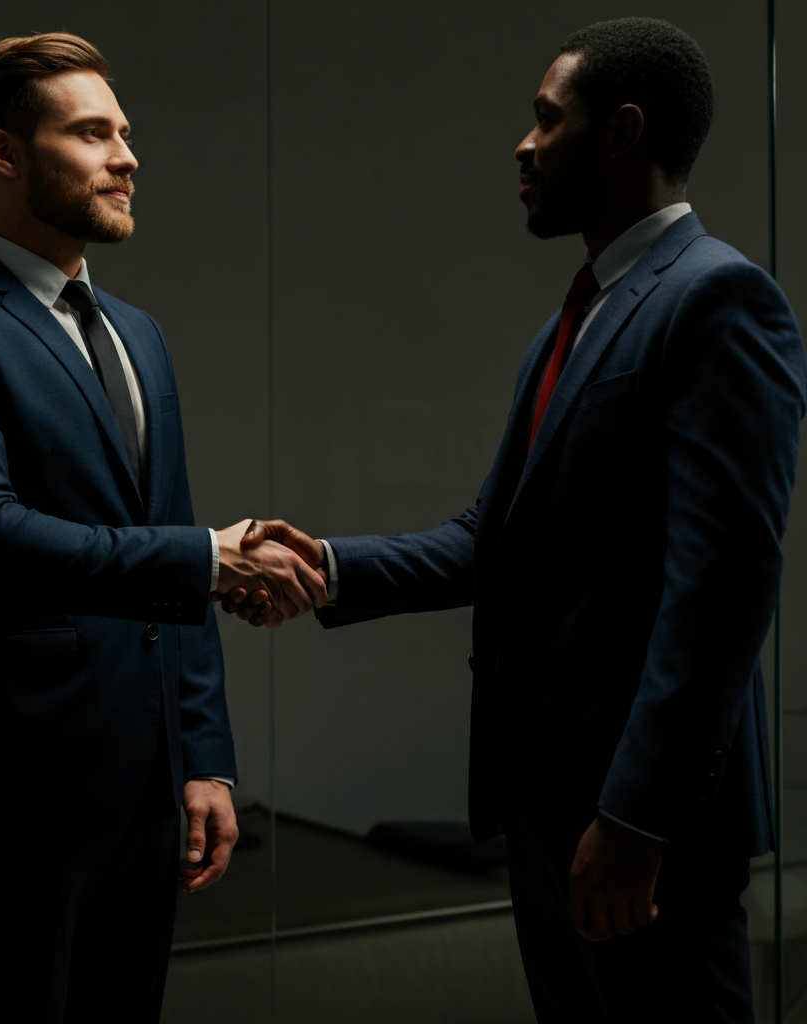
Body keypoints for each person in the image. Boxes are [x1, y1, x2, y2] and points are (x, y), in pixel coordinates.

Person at [222, 18, 806, 1022]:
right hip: (551, 816)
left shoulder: (720, 300)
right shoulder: (573, 319)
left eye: (546, 118)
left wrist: (634, 816)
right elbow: (490, 538)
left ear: (620, 133)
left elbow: (721, 588)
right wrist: (329, 566)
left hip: (637, 835)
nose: (522, 143)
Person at [0, 32, 326, 1024]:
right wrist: (206, 557)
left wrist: (202, 756)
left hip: (147, 781)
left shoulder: (138, 331)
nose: (127, 155)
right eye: (92, 132)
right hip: (13, 780)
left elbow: (172, 536)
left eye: (126, 132)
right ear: (5, 154)